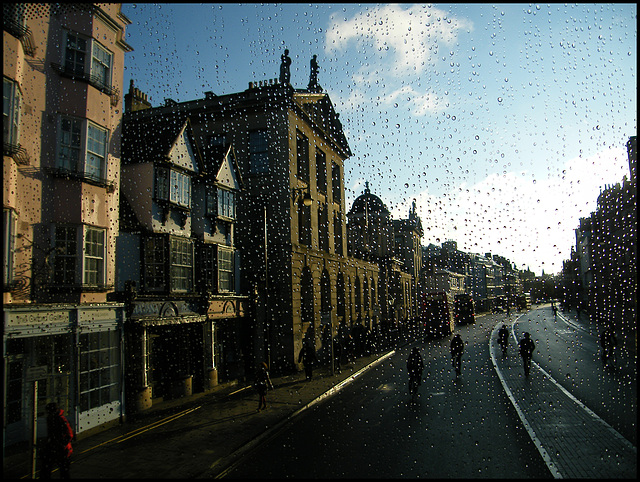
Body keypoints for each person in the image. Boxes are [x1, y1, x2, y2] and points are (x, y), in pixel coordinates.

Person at [41, 402, 74, 479]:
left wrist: (62, 444)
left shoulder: (60, 420)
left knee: (62, 471)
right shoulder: (52, 419)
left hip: (62, 449)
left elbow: (69, 435)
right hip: (56, 447)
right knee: (51, 469)